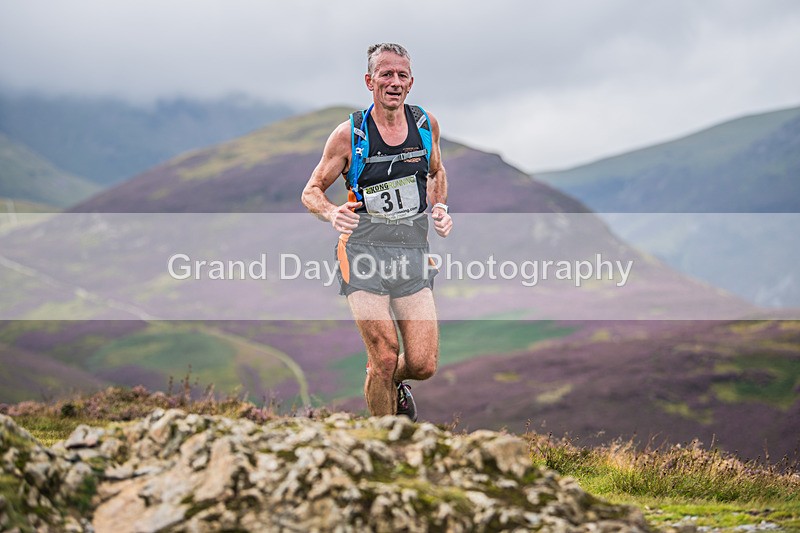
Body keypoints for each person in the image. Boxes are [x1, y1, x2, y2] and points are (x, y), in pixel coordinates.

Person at [301, 43, 452, 421]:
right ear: (370, 81)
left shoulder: (425, 125)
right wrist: (332, 213)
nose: (394, 82)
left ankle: (381, 377)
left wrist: (441, 208)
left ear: (411, 82)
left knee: (422, 364)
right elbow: (311, 191)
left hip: (412, 255)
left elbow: (435, 172)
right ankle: (384, 444)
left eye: (402, 75)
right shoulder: (349, 134)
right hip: (362, 252)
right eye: (386, 74)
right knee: (385, 353)